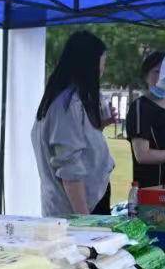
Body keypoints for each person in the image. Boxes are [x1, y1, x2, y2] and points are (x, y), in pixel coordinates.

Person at [31, 30, 114, 216]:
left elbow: (74, 143)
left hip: (82, 205)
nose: (102, 71)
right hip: (77, 210)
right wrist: (85, 220)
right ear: (87, 66)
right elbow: (69, 168)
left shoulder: (66, 99)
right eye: (101, 65)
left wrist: (99, 127)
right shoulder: (67, 105)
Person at [126, 51, 165, 187]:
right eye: (157, 72)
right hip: (154, 190)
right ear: (146, 76)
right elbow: (142, 155)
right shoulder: (140, 107)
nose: (162, 77)